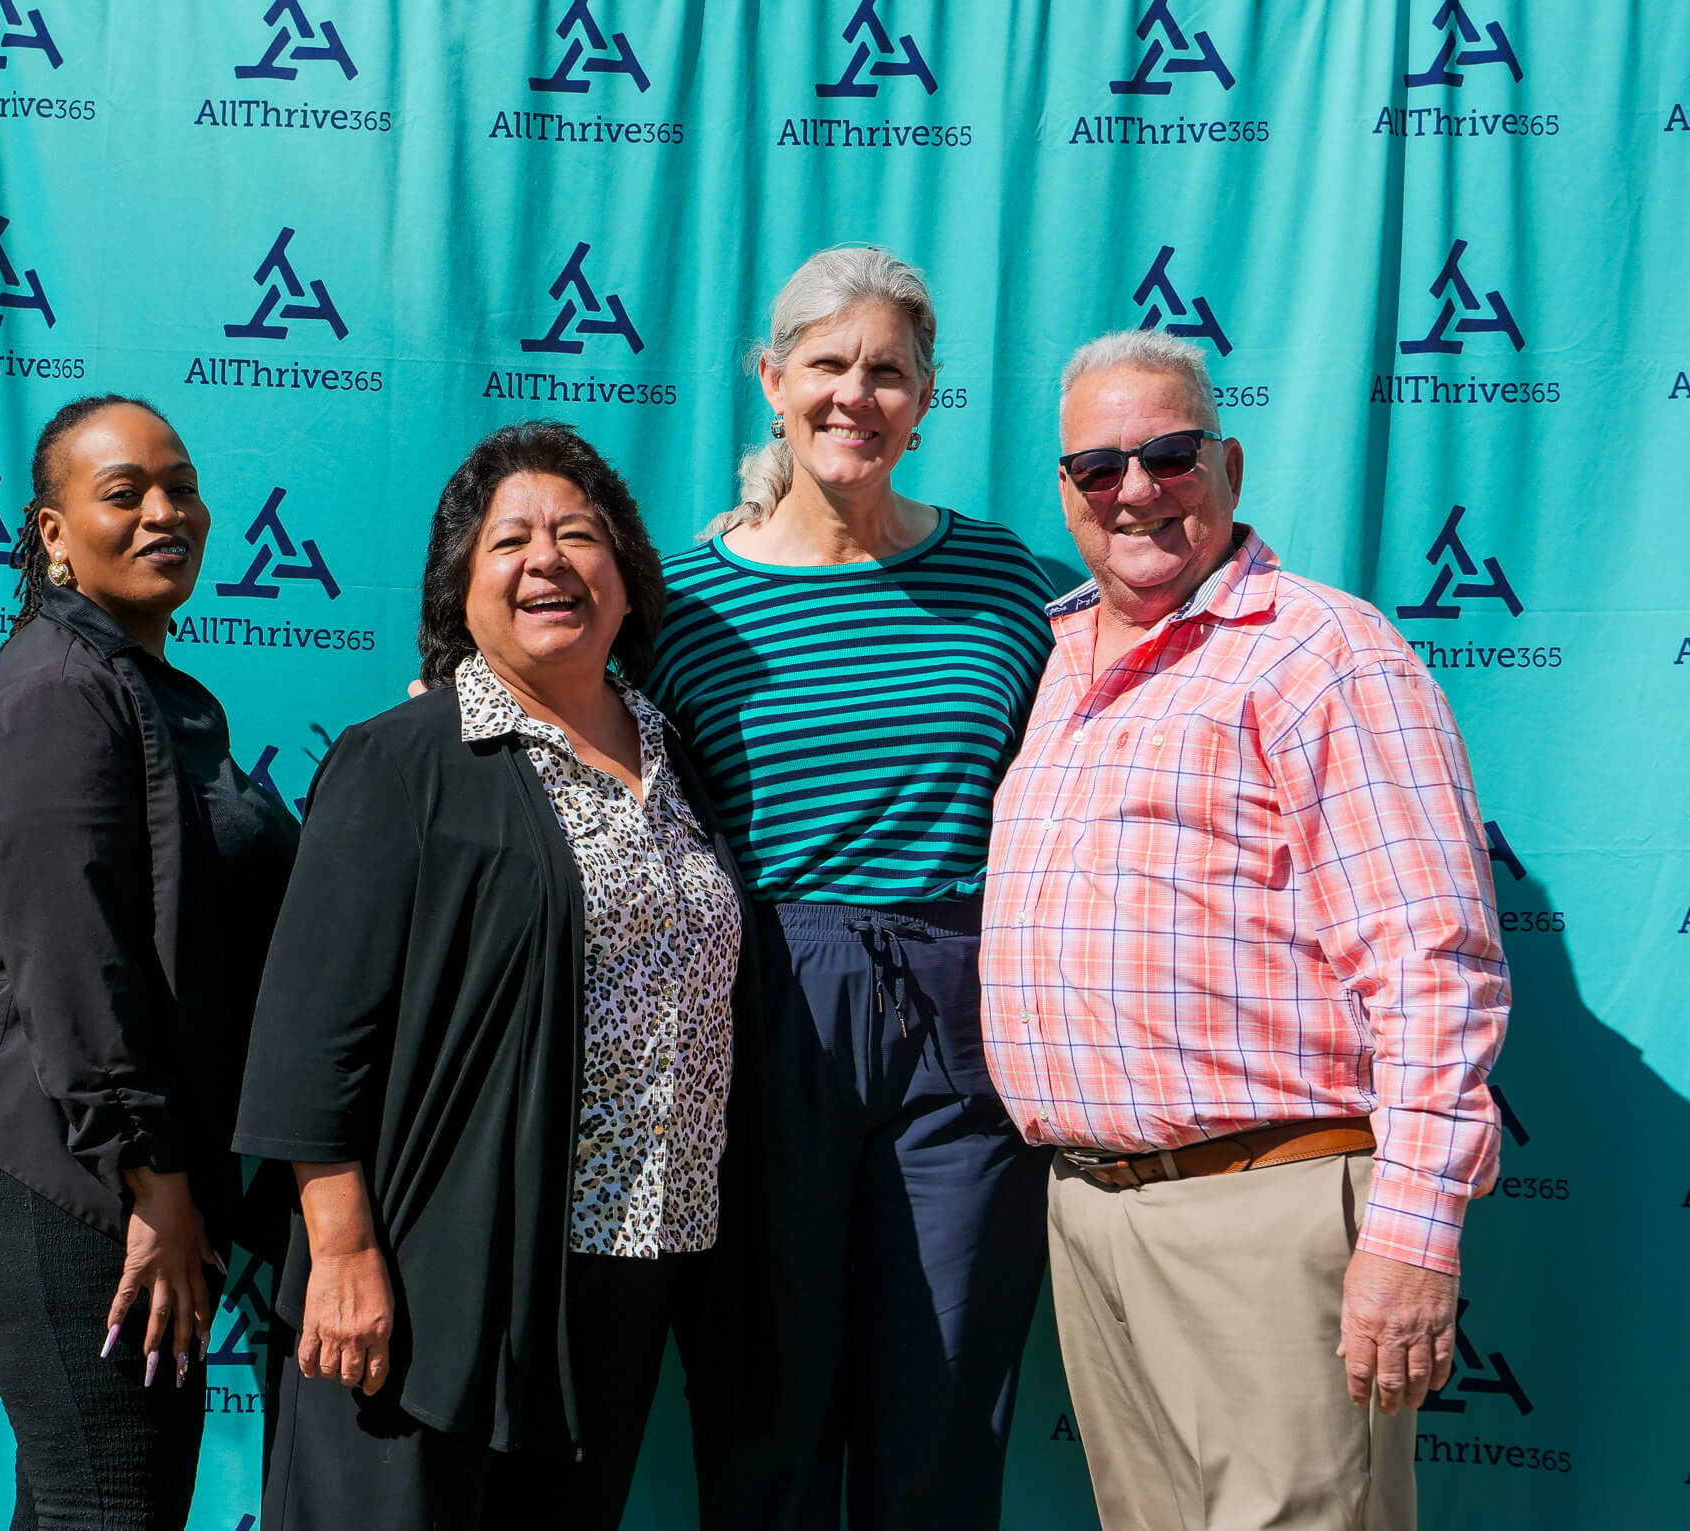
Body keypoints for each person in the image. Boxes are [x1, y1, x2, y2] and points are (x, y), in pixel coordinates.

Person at [979, 331, 1511, 1531]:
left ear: (1226, 463)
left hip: (1266, 1213)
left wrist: (1414, 1240)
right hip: (1091, 1214)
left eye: (1167, 455)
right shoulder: (1055, 662)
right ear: (1063, 489)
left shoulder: (1322, 652)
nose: (1133, 490)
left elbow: (1433, 963)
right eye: (1095, 467)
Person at [233, 421, 760, 1531]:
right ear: (458, 589)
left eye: (579, 535)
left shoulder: (678, 755)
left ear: (626, 580)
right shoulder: (406, 760)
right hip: (437, 1273)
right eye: (507, 541)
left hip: (630, 1266)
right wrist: (342, 1250)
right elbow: (307, 1034)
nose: (548, 560)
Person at [645, 246, 1056, 1531]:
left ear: (926, 397)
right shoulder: (679, 602)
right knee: (763, 1410)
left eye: (886, 370)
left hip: (963, 1018)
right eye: (826, 365)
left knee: (942, 1409)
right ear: (771, 381)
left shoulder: (1011, 583)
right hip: (760, 1013)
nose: (853, 395)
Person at [0, 395, 299, 1530]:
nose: (166, 511)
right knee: (114, 1493)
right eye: (123, 493)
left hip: (106, 1160)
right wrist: (154, 1184)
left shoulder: (130, 683)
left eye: (181, 486)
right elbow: (74, 965)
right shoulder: (60, 695)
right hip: (49, 1164)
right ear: (52, 534)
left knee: (82, 1492)